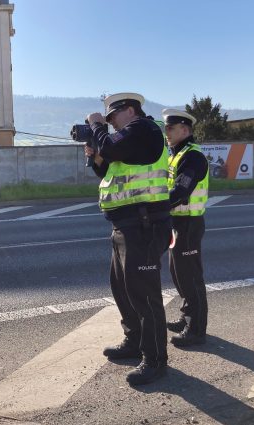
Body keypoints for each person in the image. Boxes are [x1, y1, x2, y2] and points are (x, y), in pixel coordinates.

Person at [84, 93, 172, 385]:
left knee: (145, 295)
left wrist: (95, 126)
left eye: (112, 118)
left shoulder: (145, 129)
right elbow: (106, 170)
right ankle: (134, 341)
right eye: (105, 119)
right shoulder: (129, 140)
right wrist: (93, 154)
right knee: (122, 289)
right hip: (124, 225)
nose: (109, 124)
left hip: (144, 225)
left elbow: (110, 145)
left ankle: (156, 359)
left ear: (130, 110)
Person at [162, 109, 209, 347]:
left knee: (190, 277)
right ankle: (186, 317)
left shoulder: (193, 157)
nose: (166, 132)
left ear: (185, 130)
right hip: (177, 222)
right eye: (166, 128)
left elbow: (181, 191)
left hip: (189, 223)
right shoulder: (175, 155)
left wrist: (156, 207)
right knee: (179, 274)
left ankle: (196, 329)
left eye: (170, 128)